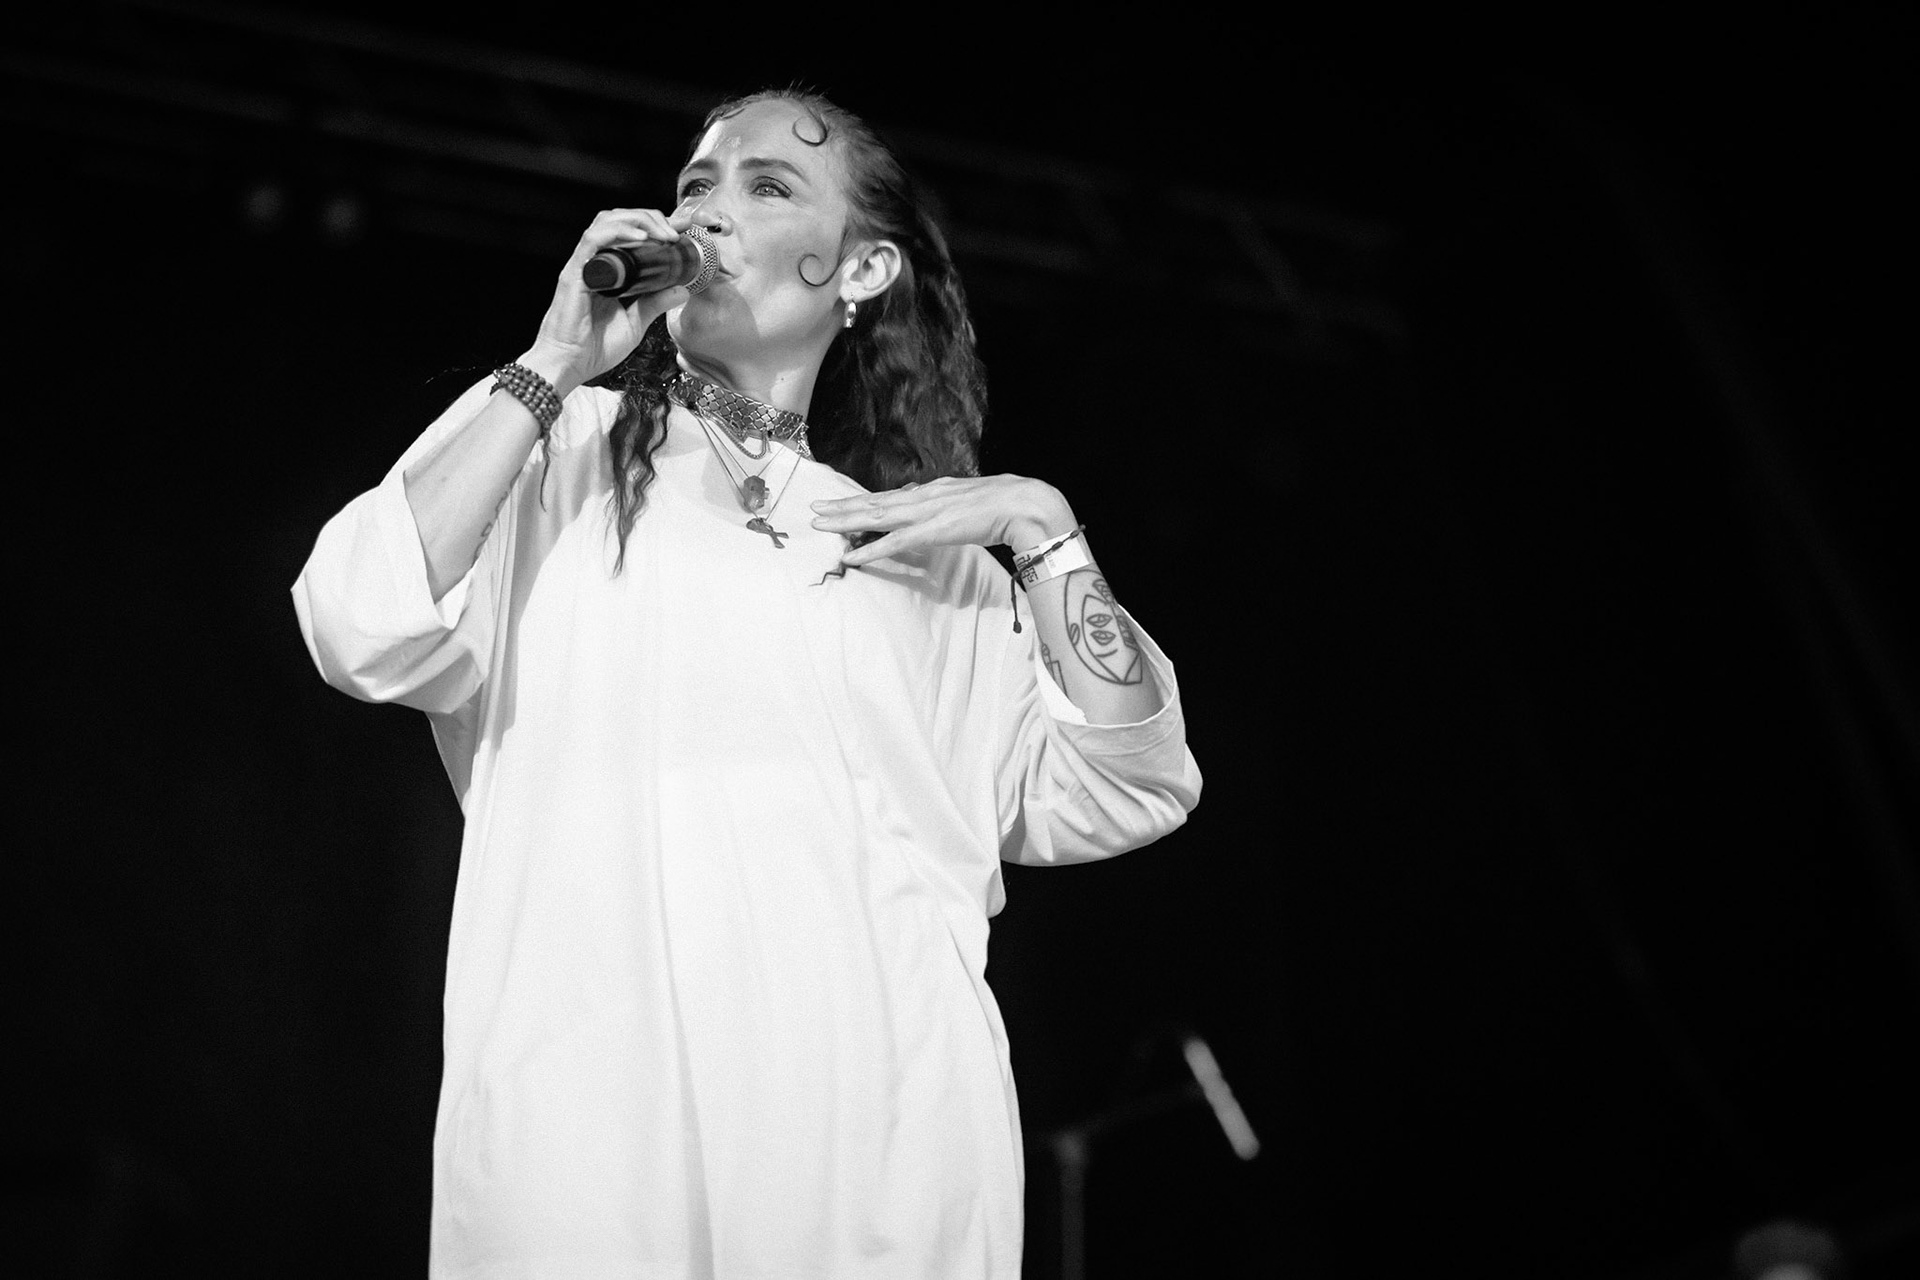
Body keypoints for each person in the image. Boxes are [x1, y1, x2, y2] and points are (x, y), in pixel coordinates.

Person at [293, 86, 1201, 1279]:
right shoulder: (554, 452)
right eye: (696, 186)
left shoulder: (935, 563)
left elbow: (1128, 781)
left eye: (767, 186)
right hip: (596, 1133)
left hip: (882, 1157)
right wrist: (558, 359)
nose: (711, 213)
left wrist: (1043, 529)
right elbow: (360, 620)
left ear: (862, 269)